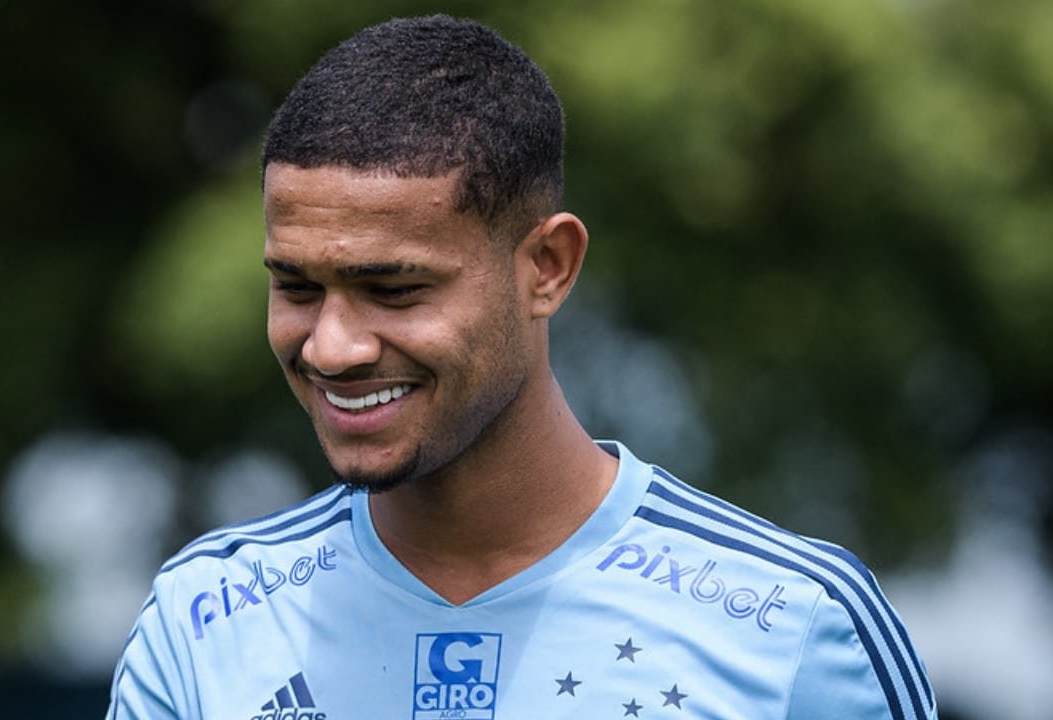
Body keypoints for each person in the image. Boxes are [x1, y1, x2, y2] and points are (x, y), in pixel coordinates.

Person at [107, 14, 937, 720]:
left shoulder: (790, 626)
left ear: (548, 267)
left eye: (393, 290)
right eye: (295, 287)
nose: (332, 347)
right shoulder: (204, 625)